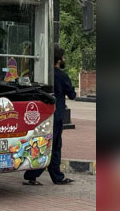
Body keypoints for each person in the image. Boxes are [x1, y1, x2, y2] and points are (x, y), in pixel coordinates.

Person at [23, 44, 76, 186]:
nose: (64, 59)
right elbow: (72, 95)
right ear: (59, 59)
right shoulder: (62, 76)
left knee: (41, 143)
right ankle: (48, 176)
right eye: (63, 57)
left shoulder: (42, 74)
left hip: (42, 115)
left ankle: (37, 174)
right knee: (55, 146)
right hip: (56, 115)